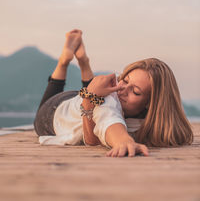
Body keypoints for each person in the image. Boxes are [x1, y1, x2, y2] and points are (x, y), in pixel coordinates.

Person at [34, 29, 193, 157]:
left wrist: (89, 98)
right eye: (125, 79)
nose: (122, 88)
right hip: (53, 112)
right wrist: (123, 140)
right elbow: (107, 120)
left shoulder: (155, 119)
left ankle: (83, 62)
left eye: (135, 91)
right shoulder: (111, 99)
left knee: (96, 94)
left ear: (151, 105)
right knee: (102, 97)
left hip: (80, 99)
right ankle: (64, 61)